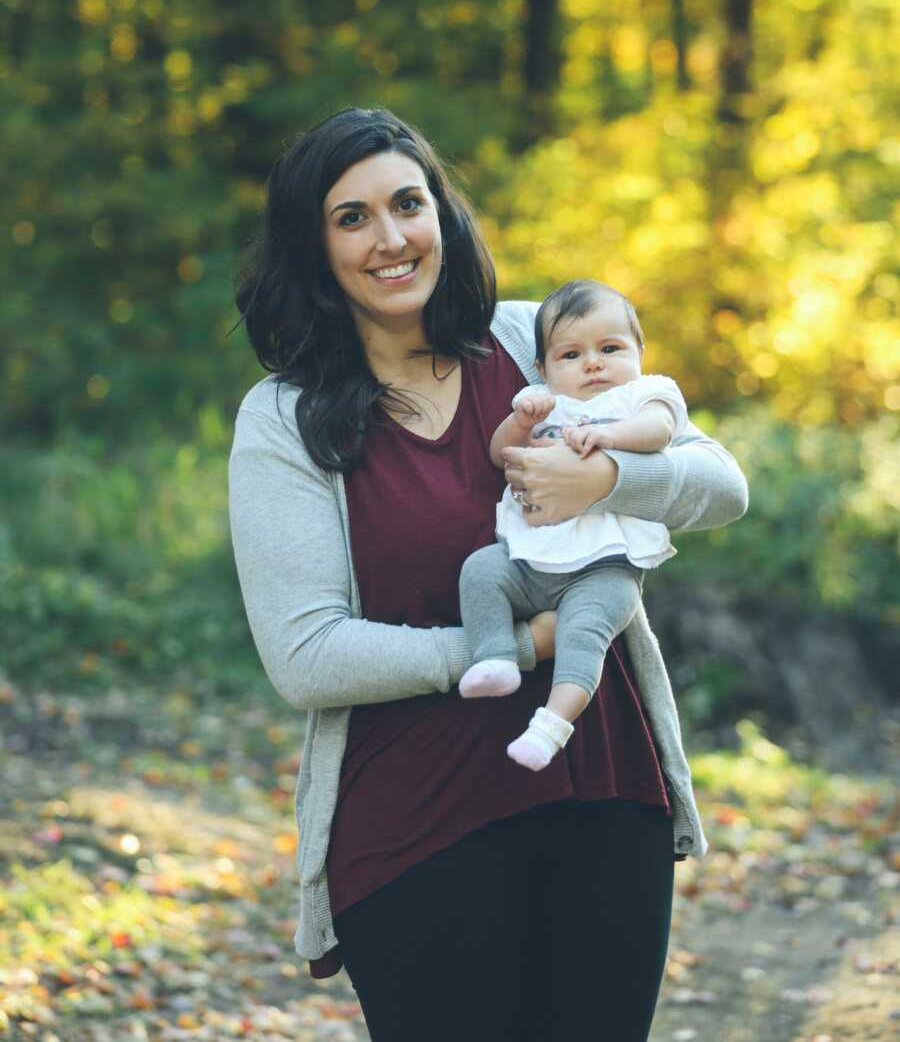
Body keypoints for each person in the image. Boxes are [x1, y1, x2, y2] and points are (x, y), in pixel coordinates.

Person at [228, 106, 749, 1042]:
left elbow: (720, 485)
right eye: (352, 218)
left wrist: (611, 474)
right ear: (312, 246)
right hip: (413, 826)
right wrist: (514, 645)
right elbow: (306, 655)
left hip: (599, 789)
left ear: (443, 216)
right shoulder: (285, 418)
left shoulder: (531, 342)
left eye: (408, 204)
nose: (391, 239)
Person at [458, 277, 694, 773]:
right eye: (571, 355)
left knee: (582, 634)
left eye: (610, 348)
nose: (592, 363)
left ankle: (551, 726)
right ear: (543, 369)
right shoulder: (547, 403)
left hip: (604, 569)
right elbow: (499, 453)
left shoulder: (644, 395)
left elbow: (659, 432)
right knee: (481, 570)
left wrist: (607, 435)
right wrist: (522, 421)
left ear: (639, 352)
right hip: (530, 559)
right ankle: (495, 656)